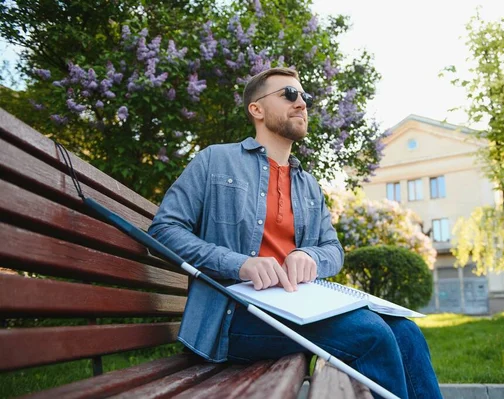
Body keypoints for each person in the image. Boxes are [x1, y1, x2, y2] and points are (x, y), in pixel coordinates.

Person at [149, 67, 442, 399]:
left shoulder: (307, 184)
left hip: (298, 307)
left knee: (406, 332)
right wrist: (240, 264)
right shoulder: (215, 161)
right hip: (234, 317)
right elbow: (163, 232)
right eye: (288, 94)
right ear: (256, 109)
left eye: (304, 96)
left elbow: (333, 249)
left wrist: (309, 255)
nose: (301, 103)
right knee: (370, 334)